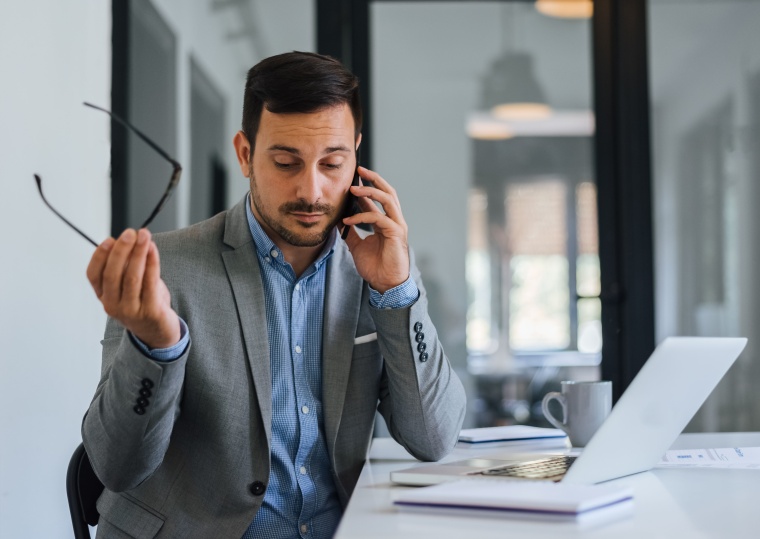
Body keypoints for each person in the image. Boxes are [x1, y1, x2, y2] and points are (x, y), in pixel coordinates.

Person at [82, 51, 466, 539]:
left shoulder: (379, 267)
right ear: (245, 154)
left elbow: (434, 437)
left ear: (356, 155)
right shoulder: (164, 270)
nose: (312, 190)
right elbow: (117, 466)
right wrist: (156, 344)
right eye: (286, 162)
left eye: (333, 162)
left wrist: (396, 292)